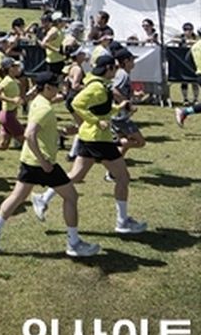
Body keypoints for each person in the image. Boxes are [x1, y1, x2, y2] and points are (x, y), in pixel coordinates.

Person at [0, 72, 100, 257]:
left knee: (17, 196)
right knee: (71, 197)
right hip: (42, 162)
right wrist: (44, 162)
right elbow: (30, 134)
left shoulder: (38, 102)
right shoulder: (44, 108)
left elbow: (40, 130)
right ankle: (74, 243)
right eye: (56, 85)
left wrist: (60, 131)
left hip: (29, 161)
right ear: (47, 88)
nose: (59, 89)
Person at [33, 54, 149, 235]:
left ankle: (43, 198)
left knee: (76, 175)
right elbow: (77, 103)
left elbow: (102, 109)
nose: (116, 70)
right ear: (109, 69)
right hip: (98, 137)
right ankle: (122, 222)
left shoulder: (100, 85)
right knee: (123, 178)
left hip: (89, 136)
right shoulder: (96, 86)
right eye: (114, 67)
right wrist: (95, 121)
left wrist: (119, 108)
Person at [176, 24, 201, 127]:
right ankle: (184, 112)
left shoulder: (196, 45)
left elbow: (188, 59)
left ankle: (185, 112)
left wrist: (199, 68)